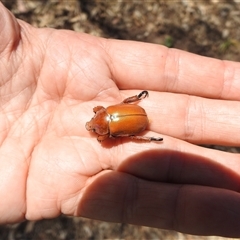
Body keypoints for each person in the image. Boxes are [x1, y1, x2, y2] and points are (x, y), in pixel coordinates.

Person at [0, 2, 240, 237]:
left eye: (94, 126)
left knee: (133, 133)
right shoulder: (105, 114)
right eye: (94, 127)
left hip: (135, 120)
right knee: (132, 128)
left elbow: (116, 130)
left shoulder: (110, 130)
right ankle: (143, 116)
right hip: (130, 117)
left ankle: (143, 116)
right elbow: (106, 115)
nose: (91, 126)